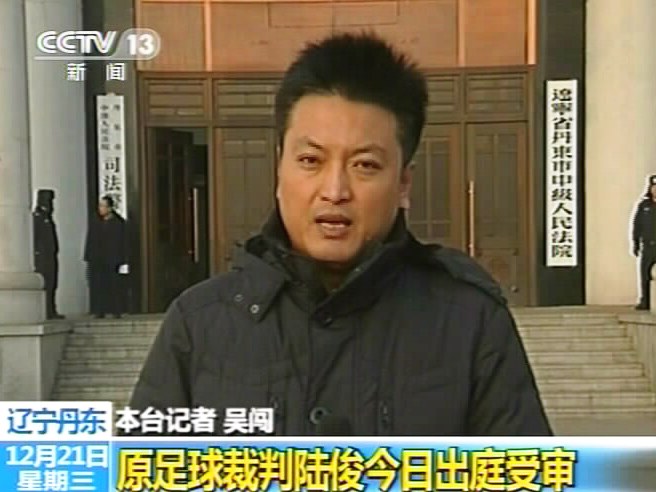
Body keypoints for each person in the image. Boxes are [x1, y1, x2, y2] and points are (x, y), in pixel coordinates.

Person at [129, 32, 551, 436]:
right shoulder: (200, 323)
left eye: (364, 165)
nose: (334, 191)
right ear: (280, 169)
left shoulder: (468, 322)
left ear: (403, 183)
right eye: (311, 161)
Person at [84, 195, 128, 319]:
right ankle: (99, 310)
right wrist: (88, 256)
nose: (101, 209)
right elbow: (90, 240)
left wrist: (122, 259)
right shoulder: (95, 222)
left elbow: (122, 242)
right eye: (100, 206)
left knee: (114, 284)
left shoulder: (118, 223)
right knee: (99, 285)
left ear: (110, 208)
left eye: (103, 206)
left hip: (112, 259)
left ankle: (116, 310)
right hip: (98, 259)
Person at [33, 189, 65, 320]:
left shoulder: (47, 217)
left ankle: (51, 309)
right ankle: (46, 310)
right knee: (46, 283)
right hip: (42, 257)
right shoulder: (38, 217)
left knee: (52, 283)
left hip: (51, 256)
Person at [631, 175, 656, 310]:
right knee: (645, 274)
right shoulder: (644, 205)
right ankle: (645, 300)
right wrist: (635, 243)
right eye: (654, 187)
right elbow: (637, 225)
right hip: (648, 245)